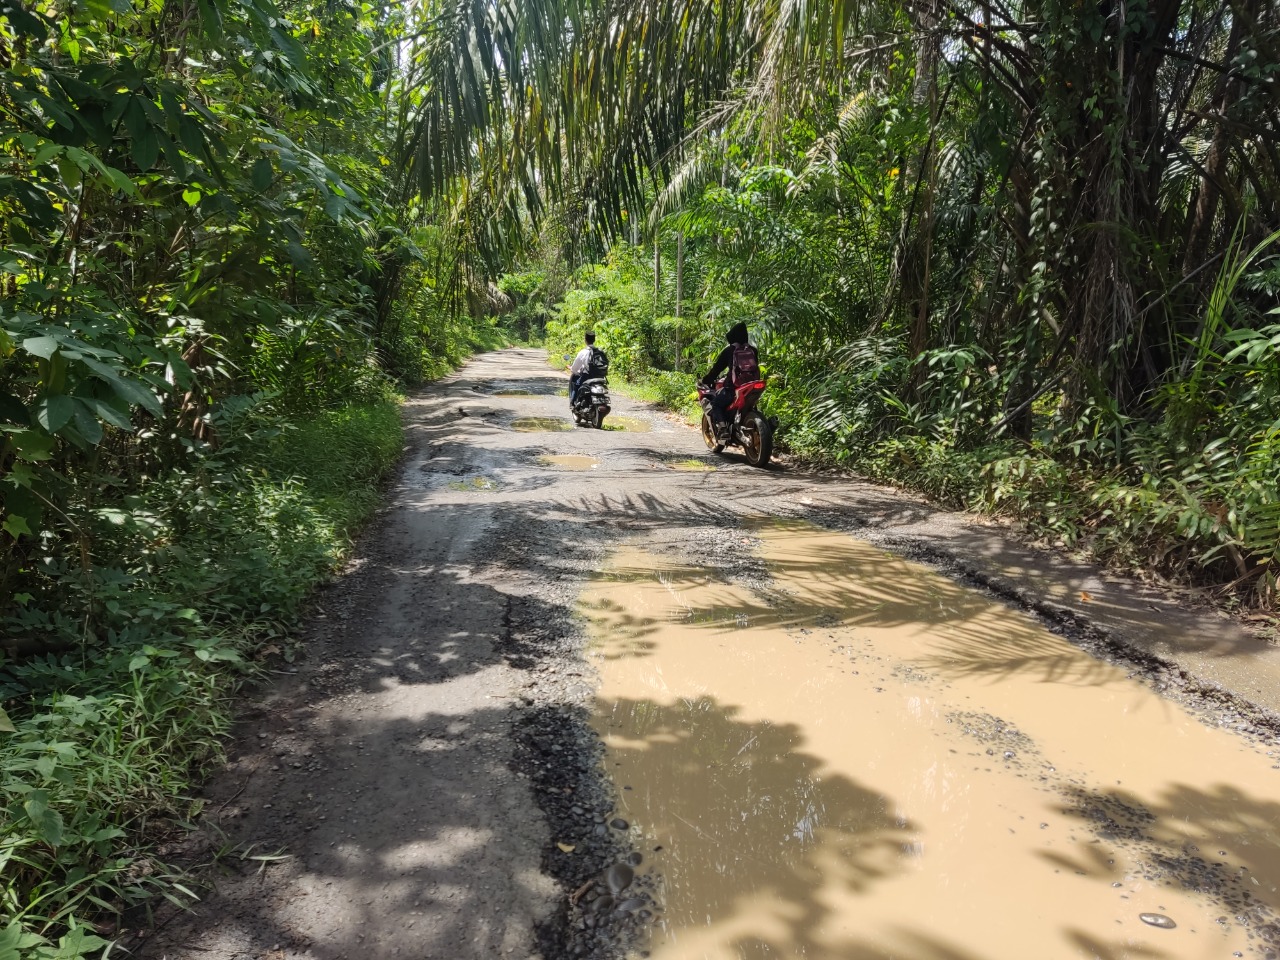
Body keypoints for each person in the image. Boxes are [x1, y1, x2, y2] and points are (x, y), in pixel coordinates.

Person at [700, 321, 760, 438]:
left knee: (716, 404)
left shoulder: (729, 351)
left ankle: (723, 429)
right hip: (752, 386)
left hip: (733, 388)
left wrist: (706, 380)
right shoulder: (753, 350)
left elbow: (716, 370)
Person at [569, 331, 608, 405]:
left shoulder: (583, 352)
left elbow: (575, 368)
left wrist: (572, 369)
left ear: (585, 340)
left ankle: (572, 404)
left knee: (576, 386)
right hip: (600, 377)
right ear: (594, 340)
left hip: (587, 377)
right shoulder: (600, 351)